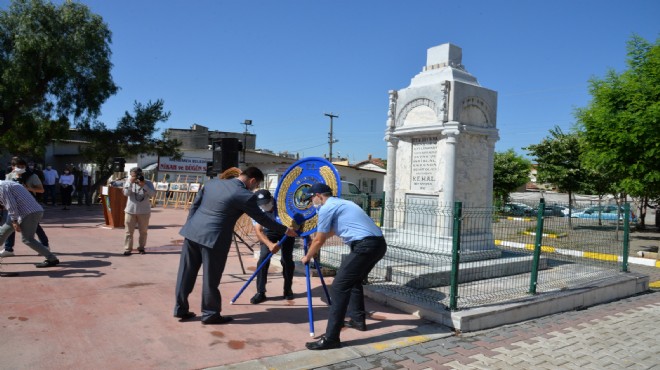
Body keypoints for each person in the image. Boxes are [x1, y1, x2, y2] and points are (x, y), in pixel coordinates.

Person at [173, 167, 298, 324]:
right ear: (252, 180)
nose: (254, 187)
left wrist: (190, 224)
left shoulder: (212, 183)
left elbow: (195, 205)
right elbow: (263, 220)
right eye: (256, 184)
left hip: (192, 233)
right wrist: (286, 230)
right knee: (210, 278)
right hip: (214, 240)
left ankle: (180, 309)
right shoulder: (244, 195)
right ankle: (210, 314)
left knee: (185, 273)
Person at [300, 183, 387, 350]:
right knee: (352, 282)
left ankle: (331, 338)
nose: (312, 202)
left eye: (311, 198)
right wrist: (316, 242)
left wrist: (307, 256)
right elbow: (329, 232)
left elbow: (319, 239)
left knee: (338, 287)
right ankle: (357, 320)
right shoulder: (342, 203)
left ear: (318, 195)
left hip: (365, 246)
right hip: (377, 244)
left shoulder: (327, 207)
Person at [249, 189, 296, 304]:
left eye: (267, 202)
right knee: (264, 257)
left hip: (286, 230)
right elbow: (258, 231)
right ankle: (260, 292)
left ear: (271, 199)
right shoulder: (256, 209)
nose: (265, 206)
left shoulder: (283, 204)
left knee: (287, 260)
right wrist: (270, 245)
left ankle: (287, 289)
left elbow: (296, 220)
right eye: (262, 204)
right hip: (268, 231)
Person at [0, 180, 59, 268]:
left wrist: (14, 221)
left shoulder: (2, 187)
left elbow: (11, 205)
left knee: (28, 239)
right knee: (2, 233)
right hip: (27, 211)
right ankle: (52, 258)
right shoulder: (6, 183)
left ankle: (52, 259)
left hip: (28, 213)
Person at [0, 157, 50, 257]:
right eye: (18, 166)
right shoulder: (9, 176)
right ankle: (8, 249)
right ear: (13, 167)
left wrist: (27, 188)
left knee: (35, 227)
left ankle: (45, 245)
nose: (21, 168)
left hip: (28, 205)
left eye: (23, 166)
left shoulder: (32, 176)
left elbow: (41, 190)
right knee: (10, 225)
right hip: (12, 204)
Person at [122, 167, 156, 255]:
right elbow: (126, 193)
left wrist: (144, 185)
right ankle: (127, 249)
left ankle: (141, 248)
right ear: (131, 175)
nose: (137, 176)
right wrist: (130, 182)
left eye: (138, 174)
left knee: (143, 231)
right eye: (134, 175)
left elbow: (153, 194)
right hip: (130, 210)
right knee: (128, 231)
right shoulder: (128, 182)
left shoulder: (148, 182)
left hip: (144, 212)